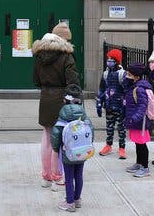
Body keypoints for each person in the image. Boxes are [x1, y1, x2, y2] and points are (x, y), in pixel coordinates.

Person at [32, 22, 79, 191]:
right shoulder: (66, 56)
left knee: (46, 138)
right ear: (64, 39)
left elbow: (36, 81)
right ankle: (57, 177)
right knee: (59, 140)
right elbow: (73, 83)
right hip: (61, 100)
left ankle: (46, 177)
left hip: (45, 98)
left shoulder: (39, 54)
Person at [51, 84, 93, 212]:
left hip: (67, 153)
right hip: (82, 151)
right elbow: (91, 133)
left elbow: (56, 135)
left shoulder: (63, 116)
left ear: (65, 100)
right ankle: (77, 199)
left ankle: (69, 203)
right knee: (79, 175)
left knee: (69, 178)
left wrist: (56, 147)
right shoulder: (84, 116)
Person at [123, 63, 153, 178]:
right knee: (137, 143)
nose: (127, 76)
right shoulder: (133, 86)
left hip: (140, 121)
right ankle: (139, 163)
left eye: (130, 74)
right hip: (135, 121)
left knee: (142, 144)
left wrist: (134, 118)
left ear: (137, 76)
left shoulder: (139, 89)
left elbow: (142, 106)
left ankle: (145, 167)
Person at [97, 49, 127, 159]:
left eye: (112, 59)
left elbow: (126, 90)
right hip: (109, 105)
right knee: (109, 127)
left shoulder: (122, 74)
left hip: (119, 106)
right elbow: (101, 89)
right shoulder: (105, 74)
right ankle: (108, 145)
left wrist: (125, 106)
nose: (109, 61)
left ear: (117, 61)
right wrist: (99, 103)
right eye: (108, 59)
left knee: (121, 128)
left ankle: (122, 147)